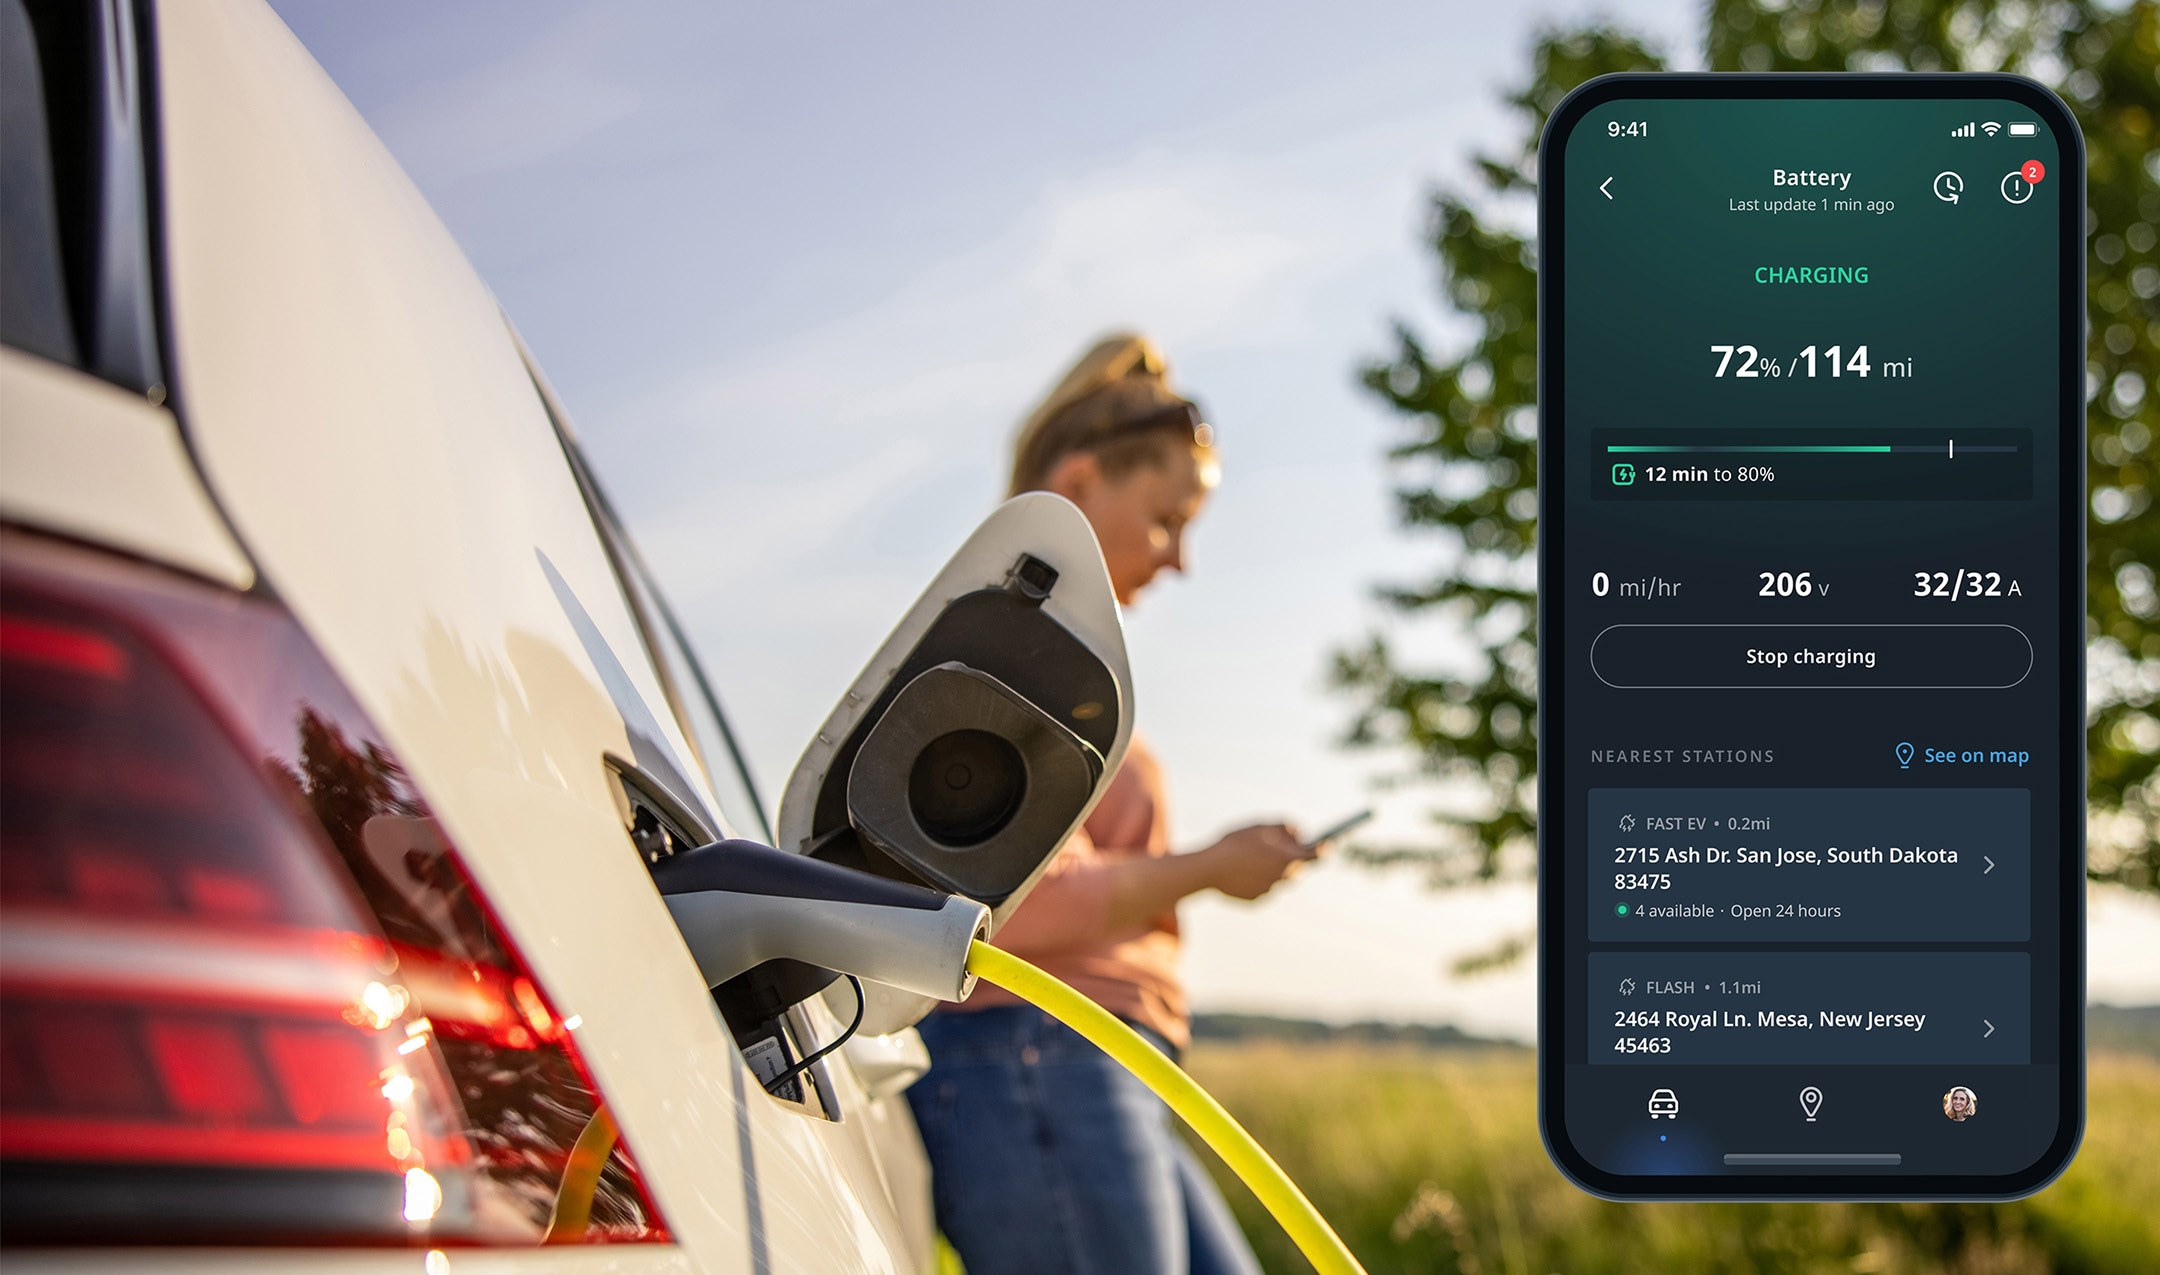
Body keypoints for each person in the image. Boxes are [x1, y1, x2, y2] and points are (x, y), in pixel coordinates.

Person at [905, 333, 1319, 1275]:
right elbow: (1012, 904)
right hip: (1037, 1054)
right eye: (1169, 519)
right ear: (1084, 483)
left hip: (1086, 1062)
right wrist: (1210, 868)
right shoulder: (1003, 653)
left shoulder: (1054, 658)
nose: (1179, 561)